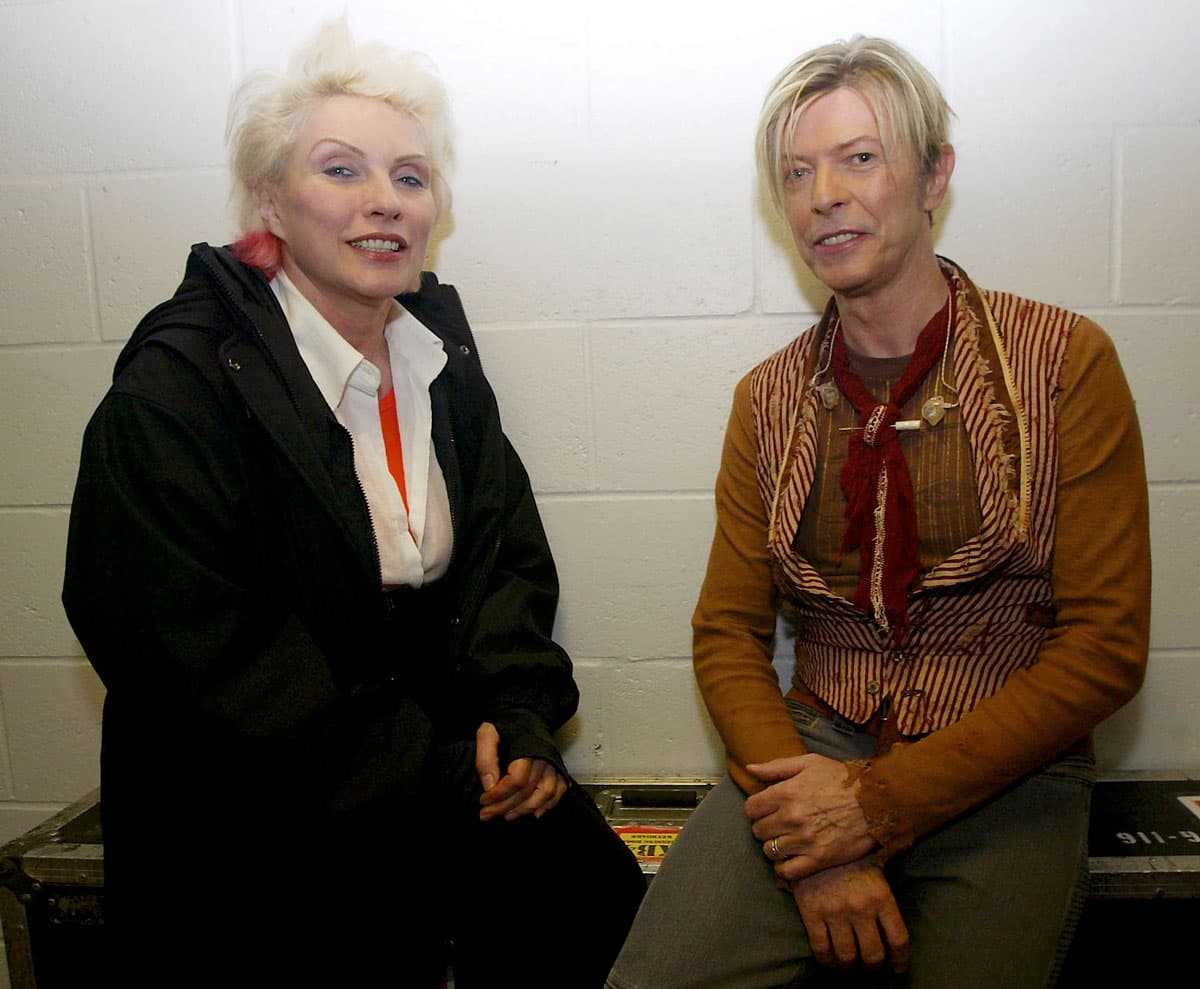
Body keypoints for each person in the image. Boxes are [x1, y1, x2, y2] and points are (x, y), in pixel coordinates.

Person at [63, 20, 643, 987]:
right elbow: (208, 671)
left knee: (618, 924)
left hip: (436, 799)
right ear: (270, 205)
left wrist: (520, 712)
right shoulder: (176, 390)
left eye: (410, 178)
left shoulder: (436, 358)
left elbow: (503, 556)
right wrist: (446, 772)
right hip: (253, 846)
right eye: (342, 171)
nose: (384, 203)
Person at [607, 35, 1149, 989]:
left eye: (859, 158)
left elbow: (1105, 643)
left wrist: (880, 805)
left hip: (1008, 765)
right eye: (797, 172)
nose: (825, 194)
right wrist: (817, 837)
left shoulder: (1066, 361)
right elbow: (727, 634)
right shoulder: (766, 399)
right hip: (813, 748)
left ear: (934, 174)